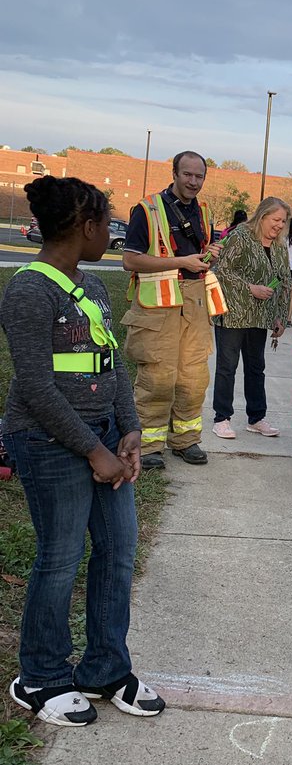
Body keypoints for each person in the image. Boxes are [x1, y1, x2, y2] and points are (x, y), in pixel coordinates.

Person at [1, 176, 165, 727]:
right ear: (87, 227)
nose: (111, 236)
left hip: (102, 436)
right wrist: (95, 451)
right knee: (60, 557)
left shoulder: (92, 286)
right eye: (106, 224)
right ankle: (40, 676)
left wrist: (130, 430)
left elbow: (112, 364)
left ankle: (104, 667)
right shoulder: (28, 290)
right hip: (49, 443)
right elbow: (35, 387)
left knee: (118, 550)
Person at [121, 150, 220, 470]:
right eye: (187, 175)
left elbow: (199, 254)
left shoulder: (203, 210)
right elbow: (130, 260)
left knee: (194, 376)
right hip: (157, 303)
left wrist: (208, 256)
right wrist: (181, 262)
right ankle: (148, 445)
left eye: (199, 176)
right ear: (174, 173)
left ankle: (186, 440)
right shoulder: (147, 209)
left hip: (194, 300)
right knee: (157, 376)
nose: (193, 182)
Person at [211, 197, 291, 439]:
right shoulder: (241, 235)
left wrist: (280, 316)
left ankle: (257, 417)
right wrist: (250, 288)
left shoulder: (278, 246)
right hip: (234, 313)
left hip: (260, 317)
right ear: (262, 215)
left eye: (283, 221)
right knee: (227, 366)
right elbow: (222, 271)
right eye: (276, 219)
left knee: (256, 368)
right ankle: (222, 417)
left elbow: (284, 280)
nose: (279, 225)